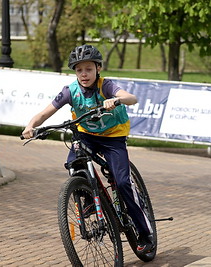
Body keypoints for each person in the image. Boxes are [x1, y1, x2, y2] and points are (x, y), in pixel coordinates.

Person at [22, 44, 154, 254]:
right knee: (73, 162)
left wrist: (117, 100)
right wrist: (31, 126)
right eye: (79, 70)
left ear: (98, 69)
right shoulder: (70, 91)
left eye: (88, 69)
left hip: (113, 137)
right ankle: (88, 199)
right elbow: (44, 114)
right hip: (86, 136)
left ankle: (144, 232)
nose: (84, 74)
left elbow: (133, 98)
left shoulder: (106, 86)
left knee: (121, 182)